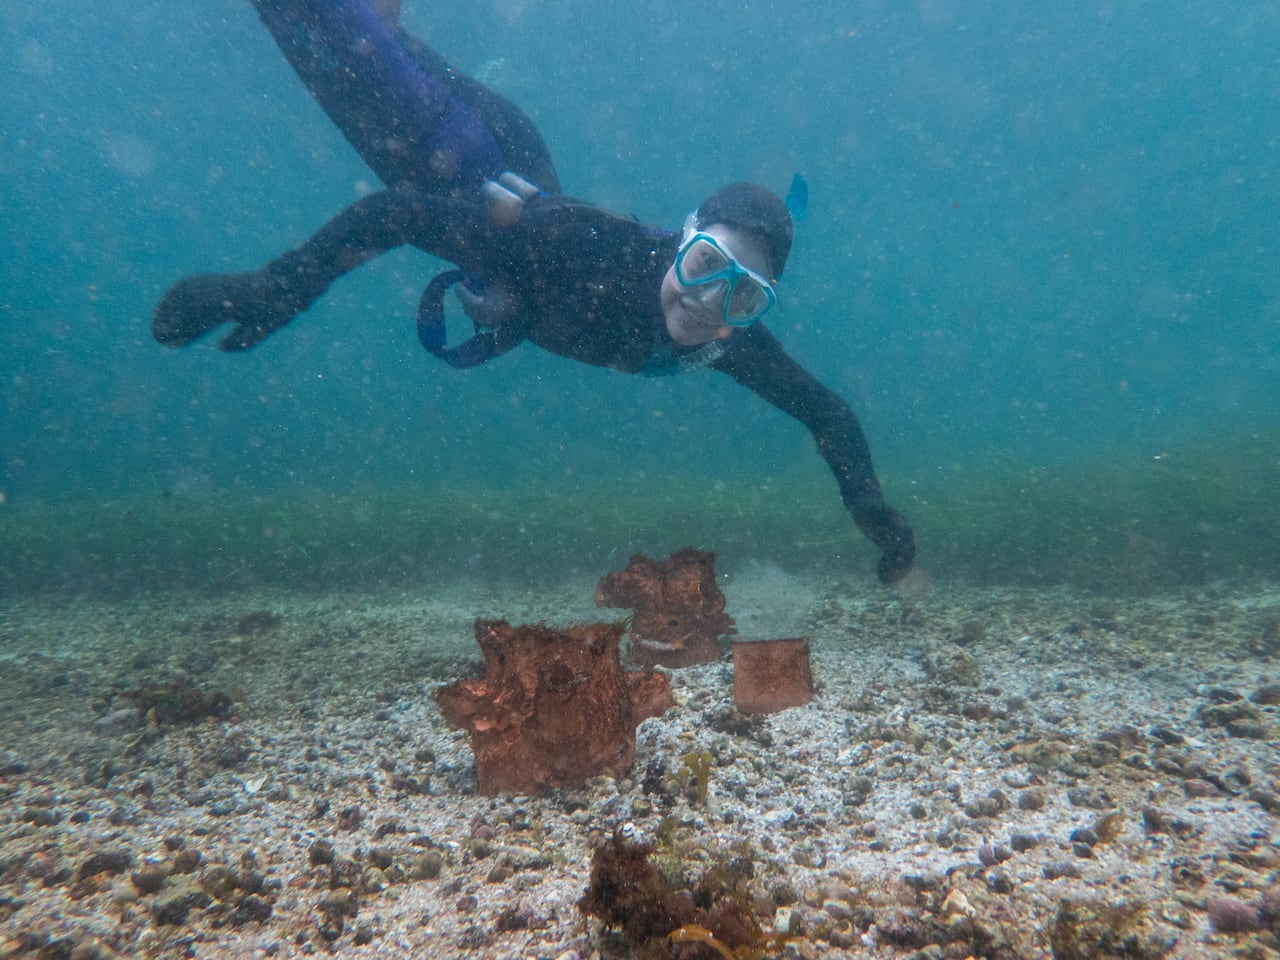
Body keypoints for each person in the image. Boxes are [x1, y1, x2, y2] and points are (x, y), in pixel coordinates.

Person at [152, 0, 916, 584]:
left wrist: (869, 506)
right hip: (465, 161)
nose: (708, 304)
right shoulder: (582, 249)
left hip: (509, 189)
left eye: (742, 296)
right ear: (681, 239)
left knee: (367, 37)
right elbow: (397, 212)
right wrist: (273, 289)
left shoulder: (722, 343)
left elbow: (825, 410)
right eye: (705, 264)